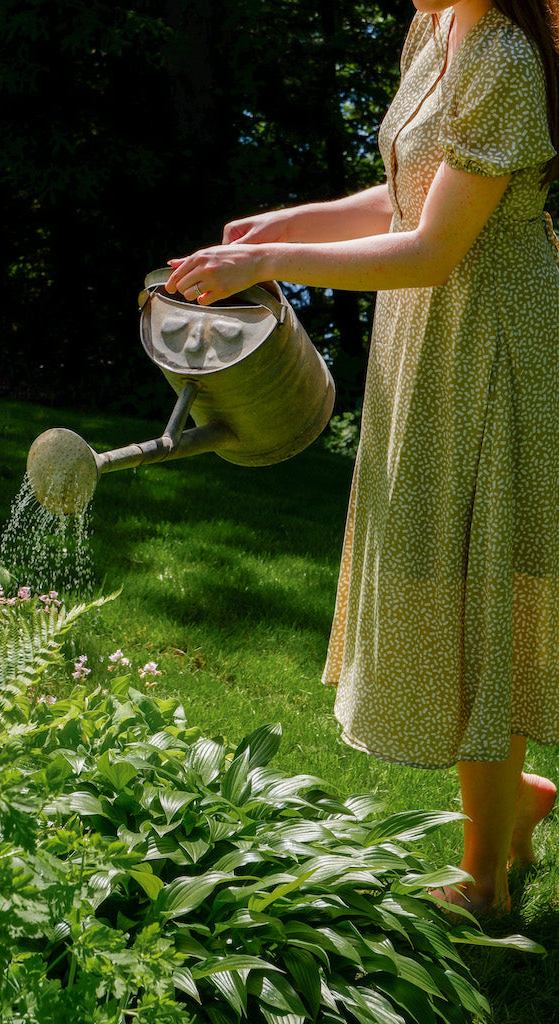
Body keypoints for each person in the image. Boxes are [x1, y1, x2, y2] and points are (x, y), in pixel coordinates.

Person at [165, 0, 559, 915]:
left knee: (474, 584)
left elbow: (428, 247)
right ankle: (514, 804)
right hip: (429, 341)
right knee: (453, 579)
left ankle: (486, 884)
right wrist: (273, 231)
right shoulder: (436, 30)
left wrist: (277, 263)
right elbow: (402, 194)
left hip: (491, 344)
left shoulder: (503, 53)